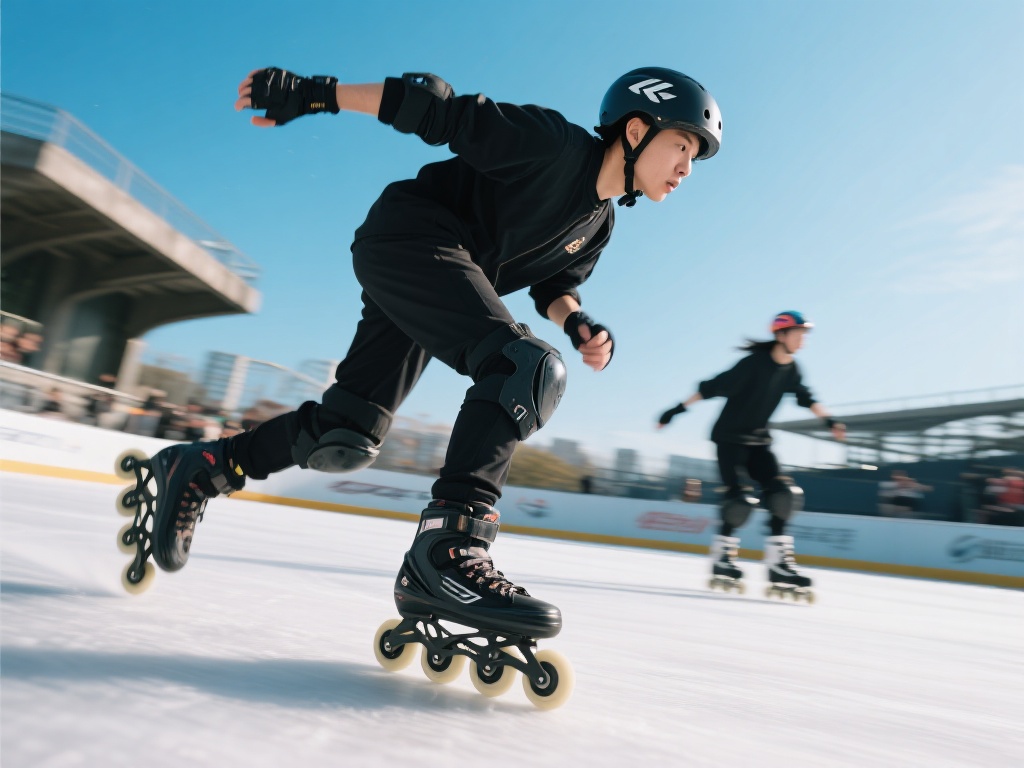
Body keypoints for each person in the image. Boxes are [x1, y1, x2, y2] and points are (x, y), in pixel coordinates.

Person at [119, 65, 722, 674]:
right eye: (682, 146)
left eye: (695, 157)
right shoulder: (554, 145)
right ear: (637, 130)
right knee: (525, 369)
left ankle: (205, 466)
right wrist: (315, 94)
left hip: (439, 272)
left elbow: (554, 286)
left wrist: (577, 321)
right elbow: (435, 108)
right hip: (412, 237)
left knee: (345, 434)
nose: (686, 168)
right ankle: (450, 549)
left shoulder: (600, 224)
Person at [656, 311, 845, 598]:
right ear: (781, 335)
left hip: (759, 442)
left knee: (784, 494)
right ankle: (722, 558)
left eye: (805, 336)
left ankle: (778, 564)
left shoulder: (793, 369)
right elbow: (712, 387)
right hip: (729, 439)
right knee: (740, 501)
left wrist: (830, 421)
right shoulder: (753, 364)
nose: (803, 341)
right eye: (799, 334)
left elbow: (807, 398)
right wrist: (675, 410)